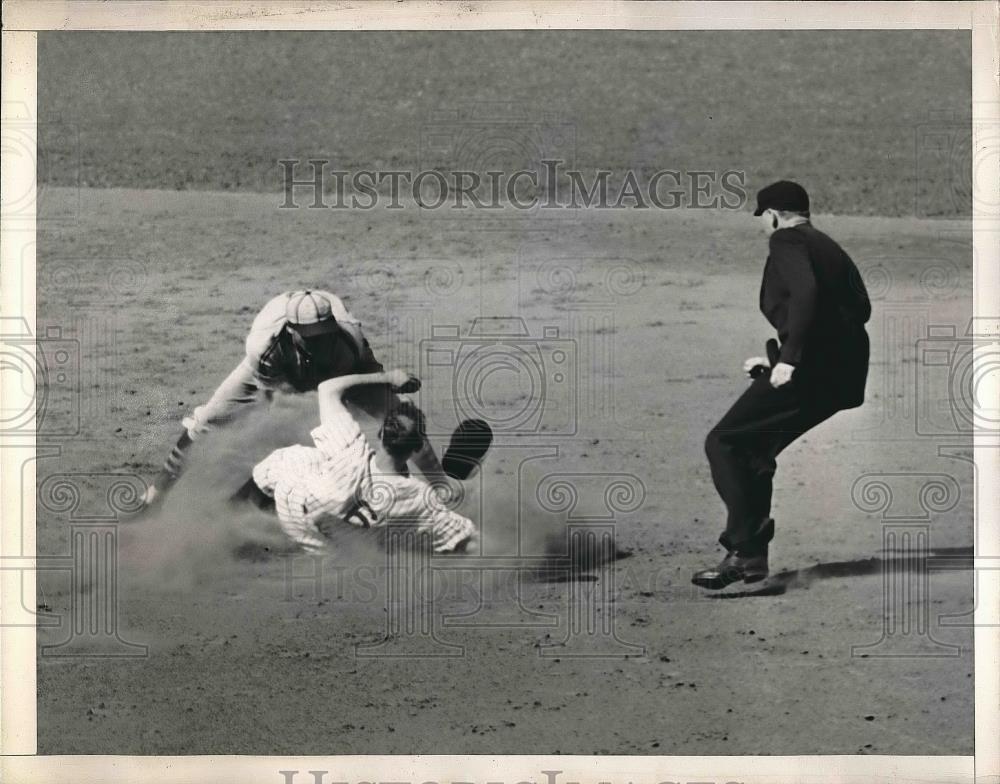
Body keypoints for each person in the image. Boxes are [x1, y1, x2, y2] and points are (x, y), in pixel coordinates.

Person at [693, 180, 872, 590]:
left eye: (764, 219)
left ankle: (745, 549)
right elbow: (857, 310)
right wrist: (779, 358)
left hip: (812, 370)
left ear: (772, 214)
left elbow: (806, 292)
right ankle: (751, 557)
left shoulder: (787, 241)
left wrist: (791, 361)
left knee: (725, 442)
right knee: (754, 449)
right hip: (841, 374)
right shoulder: (828, 246)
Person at [142, 289, 444, 508]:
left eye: (325, 333)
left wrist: (384, 385)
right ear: (291, 332)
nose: (322, 341)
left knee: (401, 417)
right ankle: (154, 496)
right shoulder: (265, 348)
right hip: (282, 371)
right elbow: (280, 402)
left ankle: (443, 490)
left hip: (349, 369)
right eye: (312, 336)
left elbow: (341, 384)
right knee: (208, 420)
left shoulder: (348, 342)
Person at [249, 369, 476, 554]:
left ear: (381, 434)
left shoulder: (351, 449)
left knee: (295, 458)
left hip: (294, 510)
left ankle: (241, 515)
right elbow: (473, 544)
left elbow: (328, 388)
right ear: (418, 447)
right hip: (325, 548)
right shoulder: (420, 499)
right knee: (397, 535)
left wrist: (386, 377)